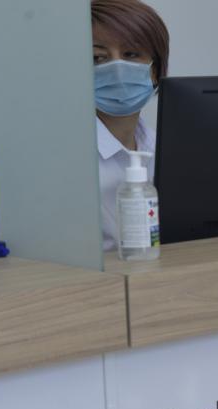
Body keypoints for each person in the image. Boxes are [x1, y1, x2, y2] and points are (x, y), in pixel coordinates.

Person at [91, 0, 169, 252]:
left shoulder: (163, 149)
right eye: (98, 58)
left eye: (131, 54)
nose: (116, 69)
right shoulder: (64, 156)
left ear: (155, 70)